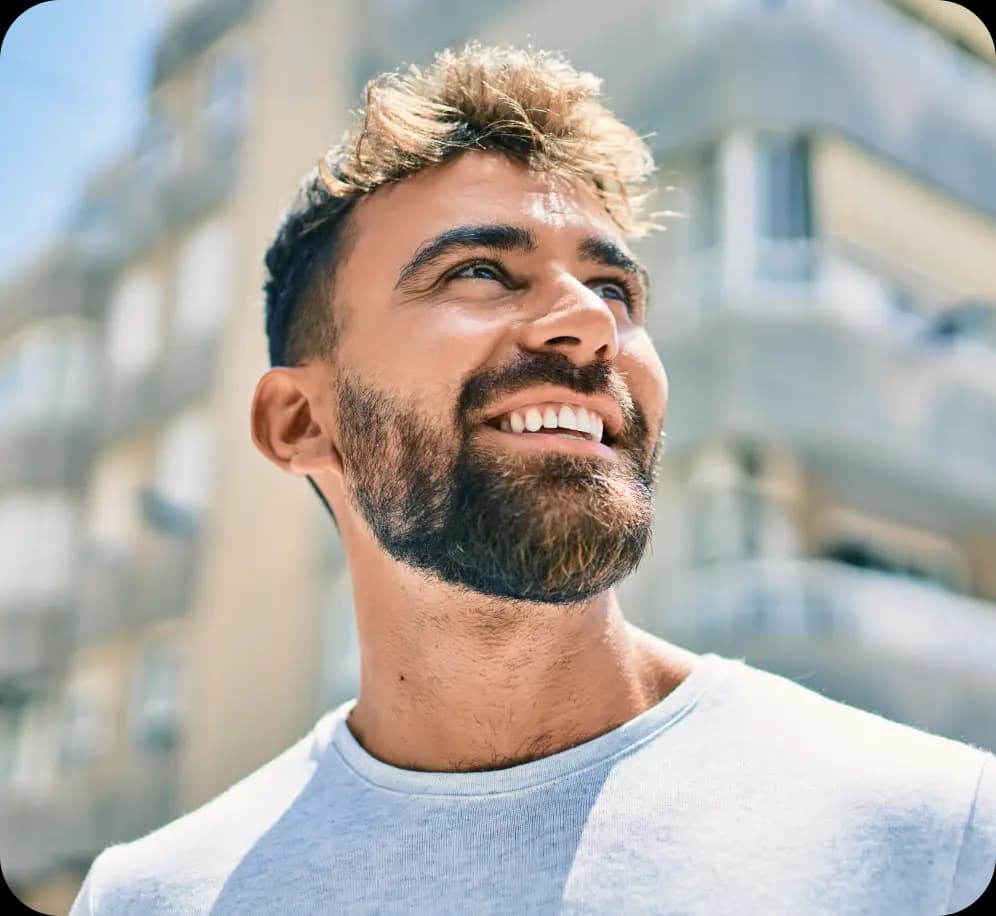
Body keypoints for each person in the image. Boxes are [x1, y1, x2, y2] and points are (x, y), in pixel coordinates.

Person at [69, 43, 994, 915]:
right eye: (479, 270)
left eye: (618, 291)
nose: (591, 325)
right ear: (302, 422)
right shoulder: (155, 898)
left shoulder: (939, 837)